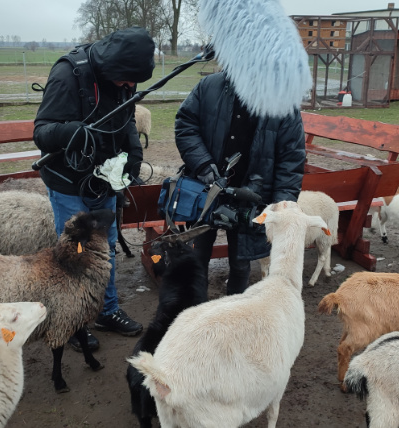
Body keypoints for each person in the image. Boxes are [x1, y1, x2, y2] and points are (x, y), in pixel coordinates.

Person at [33, 27, 155, 351]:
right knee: (76, 253)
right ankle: (72, 321)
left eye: (134, 82)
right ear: (113, 66)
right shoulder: (68, 75)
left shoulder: (124, 82)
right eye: (126, 79)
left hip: (105, 179)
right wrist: (73, 132)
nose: (129, 86)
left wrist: (134, 155)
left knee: (106, 248)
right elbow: (42, 132)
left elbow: (126, 120)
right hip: (68, 181)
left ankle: (105, 310)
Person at [174, 71, 307, 295]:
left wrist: (281, 207)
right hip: (206, 190)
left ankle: (233, 314)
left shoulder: (283, 100)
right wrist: (203, 165)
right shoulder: (210, 86)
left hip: (252, 196)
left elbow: (291, 158)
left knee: (240, 263)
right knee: (196, 257)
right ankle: (193, 310)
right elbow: (186, 124)